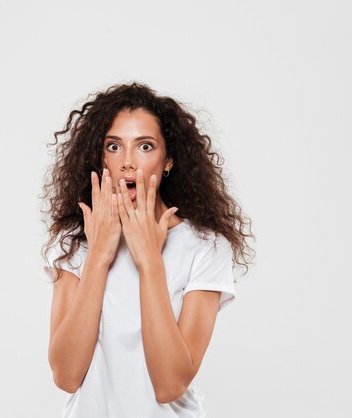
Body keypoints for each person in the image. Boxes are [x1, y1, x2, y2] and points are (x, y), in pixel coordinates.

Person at [41, 82, 255, 417]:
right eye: (114, 146)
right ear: (100, 158)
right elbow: (66, 376)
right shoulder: (74, 242)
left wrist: (150, 262)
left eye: (145, 146)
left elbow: (170, 384)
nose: (127, 162)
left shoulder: (206, 247)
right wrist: (98, 256)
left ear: (168, 160)